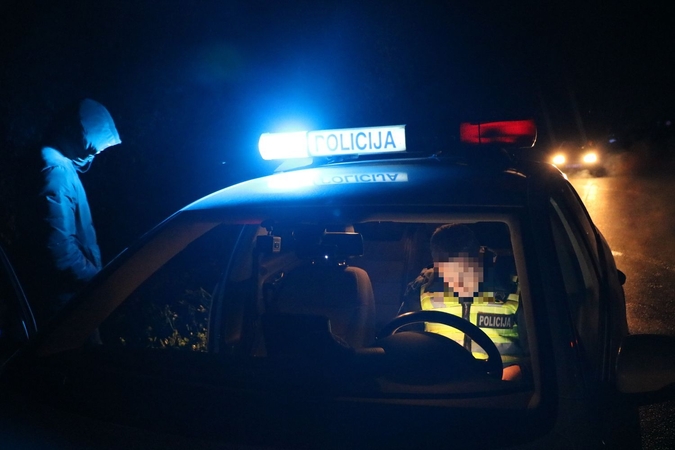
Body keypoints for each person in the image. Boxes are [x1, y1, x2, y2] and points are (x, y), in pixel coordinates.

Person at [15, 98, 121, 325]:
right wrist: (99, 282)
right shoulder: (55, 171)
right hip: (65, 307)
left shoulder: (59, 164)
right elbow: (59, 251)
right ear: (76, 135)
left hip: (70, 300)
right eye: (93, 149)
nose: (95, 155)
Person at [404, 223, 526, 381]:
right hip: (441, 385)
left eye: (466, 271)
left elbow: (539, 355)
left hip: (503, 387)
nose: (458, 281)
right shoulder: (421, 289)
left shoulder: (515, 287)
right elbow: (406, 346)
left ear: (480, 255)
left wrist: (510, 376)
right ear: (436, 264)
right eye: (448, 273)